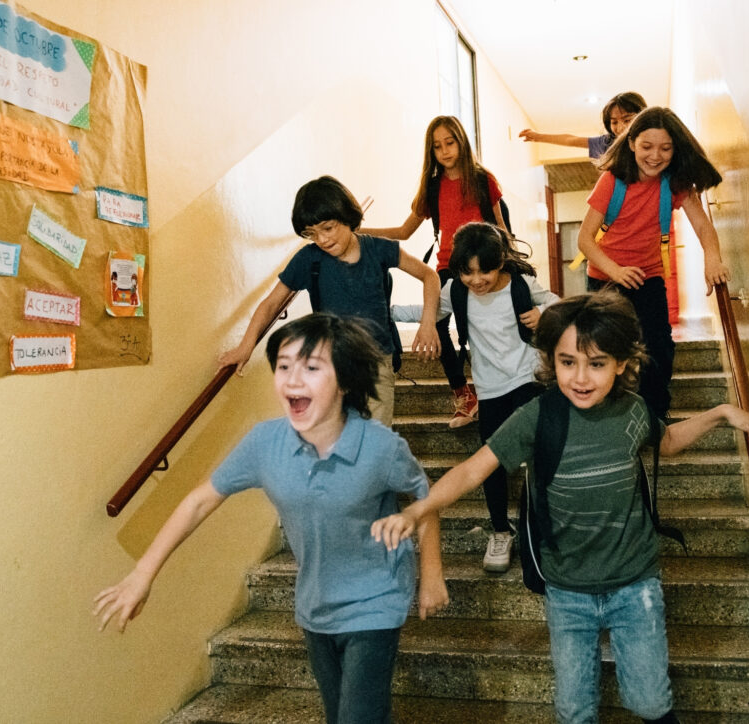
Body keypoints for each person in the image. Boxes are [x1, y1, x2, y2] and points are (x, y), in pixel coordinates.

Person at [371, 291, 749, 724]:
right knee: (575, 710)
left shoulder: (632, 411)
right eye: (567, 362)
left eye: (596, 364)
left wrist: (720, 412)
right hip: (567, 592)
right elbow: (470, 472)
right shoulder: (536, 417)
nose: (580, 377)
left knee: (651, 702)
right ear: (550, 360)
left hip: (635, 586)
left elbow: (666, 442)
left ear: (620, 363)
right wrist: (417, 510)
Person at [95, 313, 449, 724]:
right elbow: (198, 501)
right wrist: (143, 574)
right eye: (283, 366)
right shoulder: (265, 443)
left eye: (311, 367)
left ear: (346, 381)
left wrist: (433, 572)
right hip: (315, 605)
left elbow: (426, 496)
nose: (293, 380)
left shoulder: (380, 447)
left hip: (377, 598)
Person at [393, 222, 559, 572]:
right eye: (468, 273)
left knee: (540, 455)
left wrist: (544, 315)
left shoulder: (521, 285)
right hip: (490, 389)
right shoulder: (456, 291)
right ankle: (501, 530)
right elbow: (424, 311)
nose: (478, 280)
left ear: (501, 262)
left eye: (486, 270)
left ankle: (545, 526)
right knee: (491, 463)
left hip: (528, 378)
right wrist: (384, 312)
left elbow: (557, 302)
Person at [219, 175, 441, 428]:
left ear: (347, 217)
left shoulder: (379, 249)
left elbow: (429, 275)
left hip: (376, 364)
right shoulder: (309, 259)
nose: (322, 240)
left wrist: (428, 323)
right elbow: (270, 304)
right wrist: (245, 347)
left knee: (374, 448)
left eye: (328, 228)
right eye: (312, 234)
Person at [577, 105, 728, 418]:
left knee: (659, 347)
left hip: (649, 276)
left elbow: (703, 226)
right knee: (604, 349)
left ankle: (654, 416)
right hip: (605, 275)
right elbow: (584, 240)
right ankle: (603, 413)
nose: (655, 156)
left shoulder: (674, 184)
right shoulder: (611, 181)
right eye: (646, 147)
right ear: (631, 143)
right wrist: (615, 271)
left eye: (665, 148)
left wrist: (712, 259)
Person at [361, 116, 509, 429]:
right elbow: (403, 232)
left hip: (483, 264)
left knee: (489, 329)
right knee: (437, 323)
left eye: (449, 142)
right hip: (447, 268)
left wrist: (512, 269)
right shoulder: (431, 187)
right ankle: (463, 394)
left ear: (461, 142)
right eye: (437, 146)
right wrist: (358, 232)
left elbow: (502, 231)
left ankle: (496, 393)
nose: (444, 151)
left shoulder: (483, 180)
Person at [519, 92, 647, 159]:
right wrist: (538, 137)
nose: (620, 127)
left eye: (627, 120)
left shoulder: (655, 137)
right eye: (614, 122)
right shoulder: (607, 143)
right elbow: (571, 140)